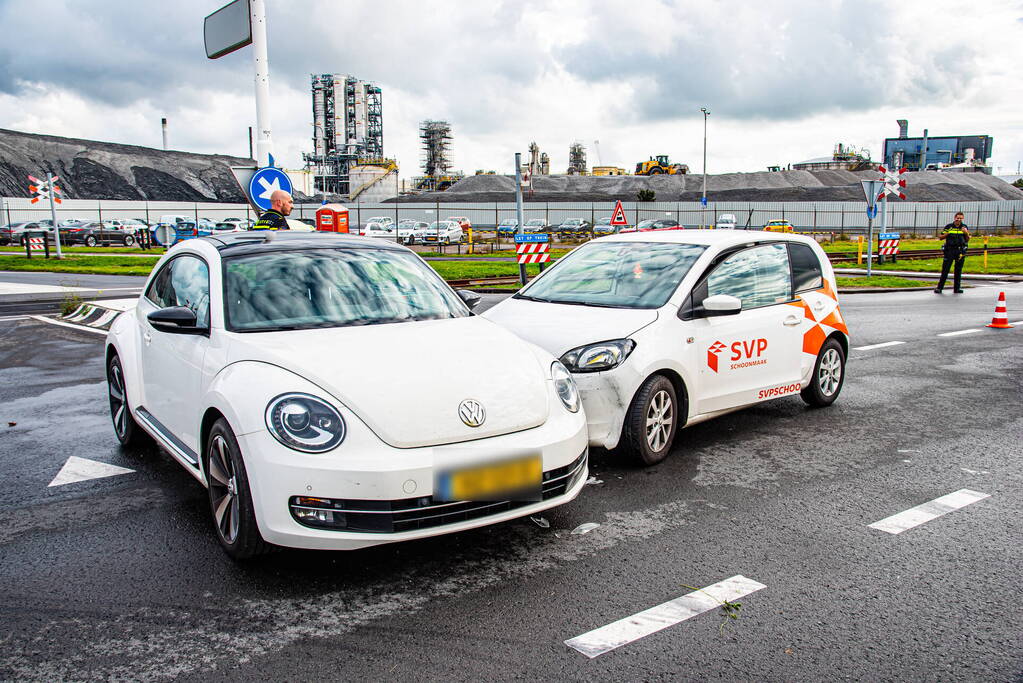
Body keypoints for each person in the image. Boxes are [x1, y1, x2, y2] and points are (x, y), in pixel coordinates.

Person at [935, 211, 970, 294]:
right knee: (945, 270)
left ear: (963, 219)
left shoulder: (964, 227)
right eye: (958, 218)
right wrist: (947, 233)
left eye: (961, 218)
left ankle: (957, 288)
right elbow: (940, 237)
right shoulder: (949, 226)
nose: (959, 220)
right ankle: (939, 288)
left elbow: (967, 239)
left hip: (960, 250)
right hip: (950, 250)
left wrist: (966, 233)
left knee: (958, 270)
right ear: (955, 218)